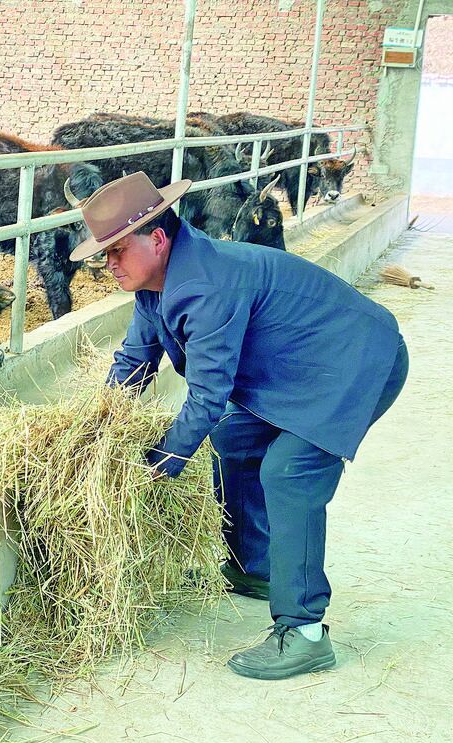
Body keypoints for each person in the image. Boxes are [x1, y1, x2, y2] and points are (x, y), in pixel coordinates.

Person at [69, 171, 408, 680]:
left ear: (157, 239)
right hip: (295, 371)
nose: (109, 264)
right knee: (233, 436)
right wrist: (96, 433)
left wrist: (156, 467)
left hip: (356, 360)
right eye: (104, 254)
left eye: (117, 251)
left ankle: (305, 632)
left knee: (289, 471)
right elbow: (134, 361)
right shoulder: (156, 285)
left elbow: (208, 396)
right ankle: (256, 567)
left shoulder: (206, 286)